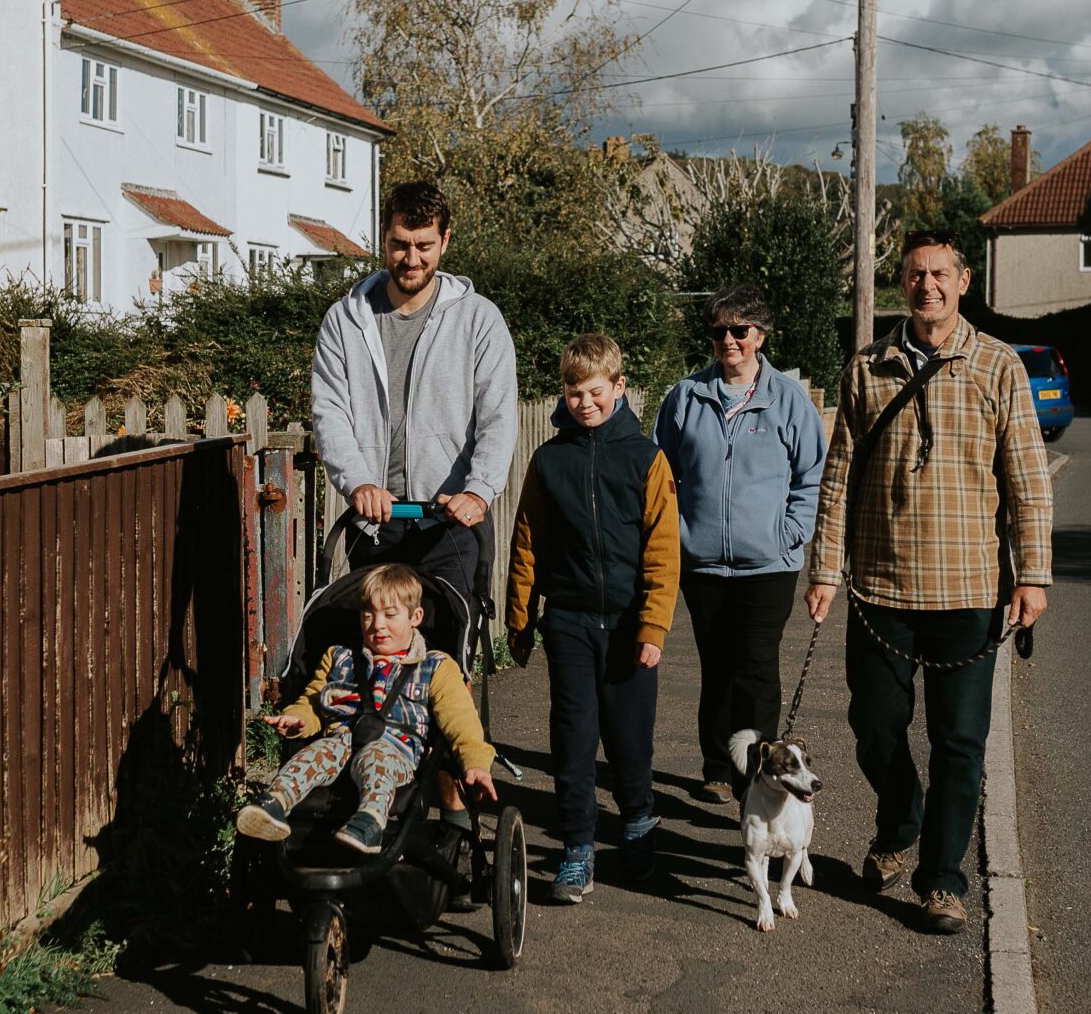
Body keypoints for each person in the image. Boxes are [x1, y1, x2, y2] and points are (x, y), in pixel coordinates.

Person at [804, 230, 1052, 935]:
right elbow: (838, 479)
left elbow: (1028, 483)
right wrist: (825, 568)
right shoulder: (866, 368)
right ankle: (901, 811)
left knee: (960, 743)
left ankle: (941, 880)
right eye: (916, 274)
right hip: (880, 588)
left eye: (940, 273)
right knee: (873, 724)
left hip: (970, 589)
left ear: (963, 280)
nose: (928, 286)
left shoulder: (999, 366)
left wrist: (1031, 576)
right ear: (901, 282)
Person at [505, 334, 682, 903]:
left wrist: (654, 626)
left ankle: (636, 822)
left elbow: (662, 549)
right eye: (574, 392)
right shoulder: (550, 460)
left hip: (630, 623)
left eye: (595, 391)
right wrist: (519, 618)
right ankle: (578, 846)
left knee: (630, 738)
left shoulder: (646, 459)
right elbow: (527, 539)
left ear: (619, 388)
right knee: (573, 737)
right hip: (570, 621)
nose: (584, 403)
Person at [653, 285, 828, 803]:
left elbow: (811, 475)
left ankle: (759, 771)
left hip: (768, 564)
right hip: (701, 562)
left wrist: (791, 533)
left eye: (739, 331)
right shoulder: (685, 397)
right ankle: (715, 764)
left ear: (760, 335)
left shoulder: (788, 400)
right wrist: (674, 537)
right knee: (717, 664)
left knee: (756, 667)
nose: (728, 340)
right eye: (718, 332)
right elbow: (662, 474)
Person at [309, 179, 518, 608]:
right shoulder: (344, 322)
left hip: (450, 522)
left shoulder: (479, 320)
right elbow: (330, 412)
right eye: (400, 244)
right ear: (383, 238)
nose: (411, 258)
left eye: (424, 245)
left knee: (446, 651)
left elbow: (497, 416)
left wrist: (479, 491)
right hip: (374, 522)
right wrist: (359, 481)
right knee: (375, 647)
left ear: (445, 241)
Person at [236, 564, 498, 854]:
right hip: (341, 740)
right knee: (315, 754)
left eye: (390, 615)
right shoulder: (339, 657)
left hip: (395, 749)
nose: (378, 624)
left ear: (416, 617)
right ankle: (274, 803)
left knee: (375, 758)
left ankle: (370, 821)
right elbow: (313, 700)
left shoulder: (435, 666)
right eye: (369, 614)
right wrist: (298, 718)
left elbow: (461, 722)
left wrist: (475, 763)